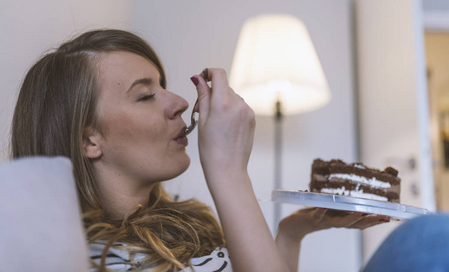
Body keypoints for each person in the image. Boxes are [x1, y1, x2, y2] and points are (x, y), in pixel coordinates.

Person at [10, 29, 387, 272]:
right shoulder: (91, 258)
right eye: (145, 95)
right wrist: (228, 171)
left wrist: (292, 233)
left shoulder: (184, 224)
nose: (177, 102)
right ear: (88, 140)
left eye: (164, 86)